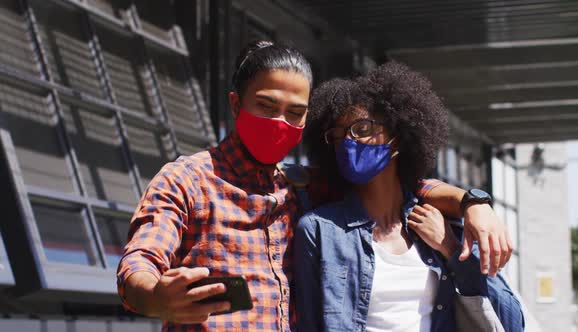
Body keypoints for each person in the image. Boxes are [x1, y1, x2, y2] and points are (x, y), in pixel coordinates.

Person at [117, 40, 512, 331]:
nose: (280, 123)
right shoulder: (187, 180)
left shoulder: (303, 188)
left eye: (295, 113)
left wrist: (473, 203)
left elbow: (402, 185)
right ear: (236, 105)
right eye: (267, 107)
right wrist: (155, 296)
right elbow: (139, 263)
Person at [294, 62, 524, 332]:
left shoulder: (446, 223)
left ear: (398, 137)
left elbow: (509, 321)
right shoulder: (319, 230)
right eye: (338, 135)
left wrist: (450, 250)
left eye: (362, 129)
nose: (349, 142)